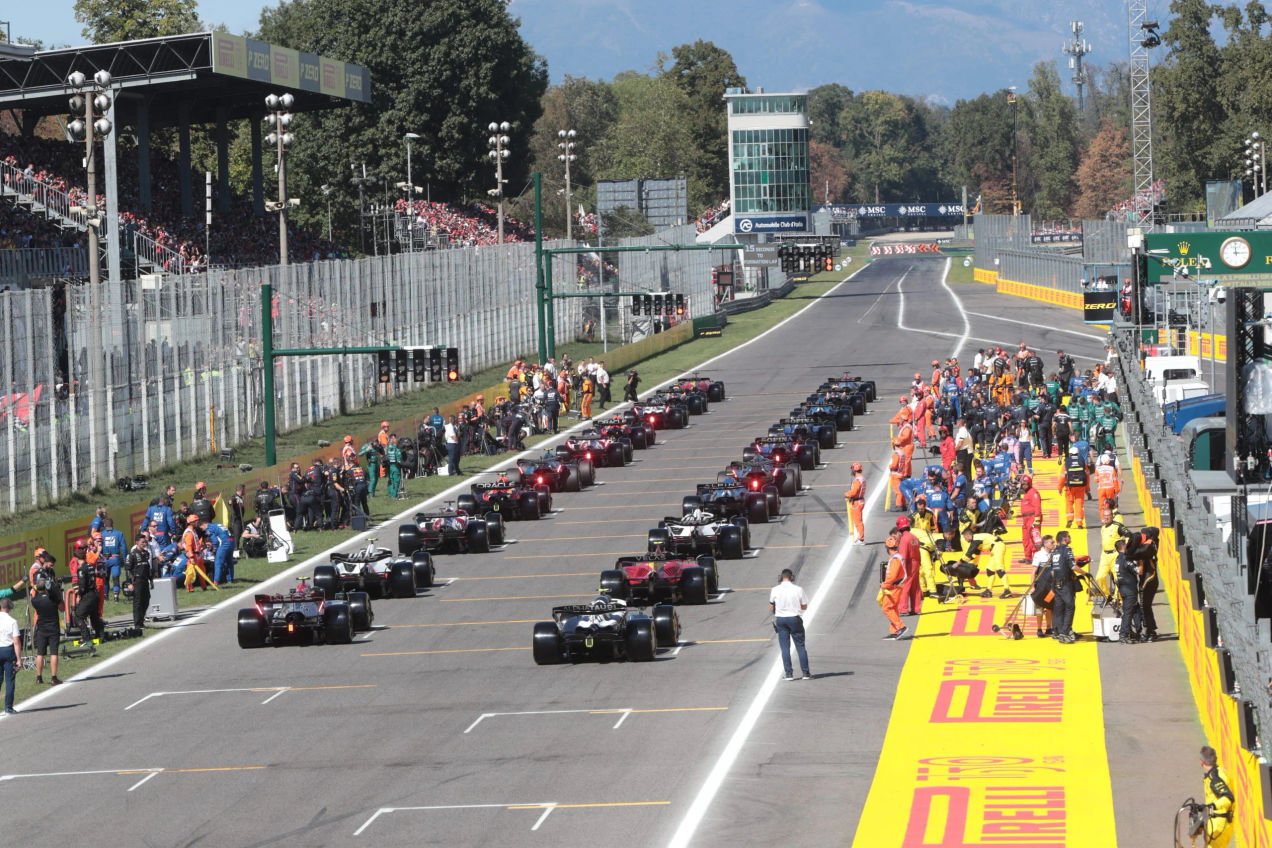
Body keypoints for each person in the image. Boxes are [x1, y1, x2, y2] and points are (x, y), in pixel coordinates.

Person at [1044, 530, 1088, 643]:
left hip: (1056, 584)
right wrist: (1085, 573)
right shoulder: (1067, 549)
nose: (1070, 538)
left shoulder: (1054, 552)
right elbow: (1073, 566)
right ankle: (1065, 632)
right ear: (1064, 539)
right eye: (1069, 537)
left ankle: (1057, 632)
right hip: (1065, 584)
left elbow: (1053, 570)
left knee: (1058, 607)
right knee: (1070, 607)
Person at [769, 568, 811, 680]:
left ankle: (789, 674)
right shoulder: (798, 589)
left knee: (785, 648)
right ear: (791, 577)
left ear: (781, 577)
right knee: (800, 646)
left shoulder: (775, 589)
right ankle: (806, 673)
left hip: (781, 620)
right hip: (794, 618)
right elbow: (805, 606)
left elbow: (771, 607)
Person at [28, 563, 61, 685]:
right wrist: (57, 591)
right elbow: (62, 608)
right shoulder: (52, 598)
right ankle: (53, 677)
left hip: (41, 627)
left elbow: (34, 594)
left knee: (40, 653)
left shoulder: (35, 600)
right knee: (54, 652)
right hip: (53, 627)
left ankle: (39, 677)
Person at [1200, 745, 1235, 847]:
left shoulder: (1214, 778)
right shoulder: (1220, 771)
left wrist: (1211, 806)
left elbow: (1228, 798)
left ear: (1201, 762)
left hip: (1219, 824)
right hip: (1218, 821)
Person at [880, 530, 908, 639]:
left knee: (886, 608)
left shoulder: (895, 559)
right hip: (896, 587)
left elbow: (892, 576)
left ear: (888, 548)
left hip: (894, 587)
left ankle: (901, 627)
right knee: (893, 608)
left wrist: (884, 585)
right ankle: (894, 631)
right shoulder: (897, 557)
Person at [72, 548, 104, 643]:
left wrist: (79, 596)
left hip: (88, 596)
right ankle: (100, 636)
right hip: (95, 594)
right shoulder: (90, 566)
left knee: (78, 616)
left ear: (77, 558)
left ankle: (86, 638)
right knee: (94, 616)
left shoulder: (81, 569)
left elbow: (82, 586)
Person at [1114, 538, 1142, 643]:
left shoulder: (1118, 558)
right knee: (1128, 612)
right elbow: (1138, 571)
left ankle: (1136, 632)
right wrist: (1141, 561)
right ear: (1124, 546)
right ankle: (1123, 635)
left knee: (1135, 610)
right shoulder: (1125, 559)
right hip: (1129, 590)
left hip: (1123, 589)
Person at [896, 515, 923, 616]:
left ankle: (903, 608)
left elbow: (903, 556)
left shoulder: (904, 539)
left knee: (905, 585)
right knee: (915, 586)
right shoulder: (914, 537)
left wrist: (900, 569)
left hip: (908, 564)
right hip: (916, 562)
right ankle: (916, 608)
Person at [127, 533, 154, 630]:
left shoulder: (146, 553)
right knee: (137, 603)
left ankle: (141, 621)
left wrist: (151, 580)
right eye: (142, 542)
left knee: (146, 601)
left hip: (145, 580)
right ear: (137, 542)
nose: (144, 543)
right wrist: (129, 583)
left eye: (145, 542)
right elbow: (127, 569)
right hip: (137, 581)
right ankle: (137, 625)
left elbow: (148, 568)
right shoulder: (132, 554)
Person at [1059, 446, 1091, 529]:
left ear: (1070, 454)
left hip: (1069, 486)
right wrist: (1087, 488)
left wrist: (1060, 488)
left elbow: (1062, 476)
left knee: (1069, 503)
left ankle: (1069, 519)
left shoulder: (1067, 462)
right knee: (1079, 504)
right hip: (1080, 486)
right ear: (1078, 453)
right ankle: (1079, 522)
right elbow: (1087, 475)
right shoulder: (1082, 462)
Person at [99, 516, 127, 601]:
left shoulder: (101, 534)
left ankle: (105, 595)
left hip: (104, 559)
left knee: (105, 578)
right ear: (113, 524)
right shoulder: (119, 533)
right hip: (115, 558)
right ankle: (116, 596)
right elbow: (124, 548)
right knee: (115, 578)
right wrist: (126, 559)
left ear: (104, 525)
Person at [0, 597, 20, 715]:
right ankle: (8, 707)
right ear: (9, 607)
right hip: (8, 651)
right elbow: (16, 642)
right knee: (10, 680)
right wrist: (19, 659)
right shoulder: (12, 621)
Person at [1018, 474, 1041, 564]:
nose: (1024, 486)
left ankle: (1036, 558)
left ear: (1029, 484)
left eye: (1025, 484)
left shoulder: (1034, 493)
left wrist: (1037, 519)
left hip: (1032, 518)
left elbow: (1037, 506)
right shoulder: (1027, 493)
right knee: (1026, 538)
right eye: (1022, 484)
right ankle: (1028, 557)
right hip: (1026, 519)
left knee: (1034, 538)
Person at [205, 519, 234, 585]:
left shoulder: (209, 528)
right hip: (231, 541)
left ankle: (216, 581)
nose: (203, 529)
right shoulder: (217, 524)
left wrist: (214, 548)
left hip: (224, 543)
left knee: (218, 563)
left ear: (204, 524)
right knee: (229, 562)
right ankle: (230, 580)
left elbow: (215, 540)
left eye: (201, 527)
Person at [844, 462, 866, 544]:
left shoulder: (857, 480)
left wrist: (847, 494)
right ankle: (860, 537)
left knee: (858, 521)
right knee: (858, 520)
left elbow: (854, 492)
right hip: (860, 500)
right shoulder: (862, 478)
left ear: (854, 470)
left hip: (857, 502)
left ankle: (861, 539)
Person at [385, 435, 403, 499]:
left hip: (389, 466)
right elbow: (399, 459)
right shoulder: (396, 449)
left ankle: (390, 494)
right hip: (395, 466)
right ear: (391, 439)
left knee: (391, 480)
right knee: (396, 481)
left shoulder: (386, 448)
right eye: (395, 438)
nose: (396, 440)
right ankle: (394, 496)